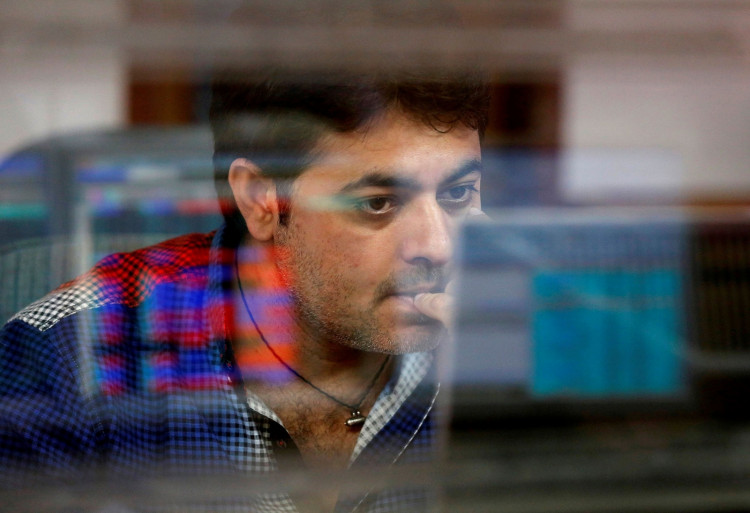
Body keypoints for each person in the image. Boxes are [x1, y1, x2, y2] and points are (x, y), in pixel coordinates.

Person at [0, 67, 489, 512]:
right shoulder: (65, 354)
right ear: (261, 199)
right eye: (378, 203)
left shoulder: (515, 338)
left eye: (457, 194)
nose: (440, 247)